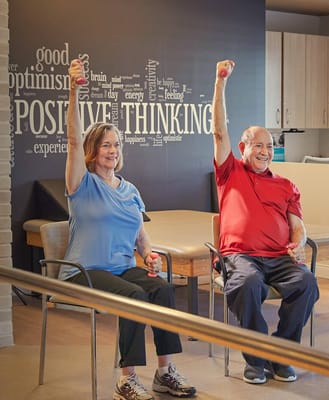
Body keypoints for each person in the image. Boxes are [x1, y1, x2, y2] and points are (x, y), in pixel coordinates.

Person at [63, 60, 196, 400]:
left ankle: (164, 372)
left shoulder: (130, 189)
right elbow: (72, 140)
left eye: (117, 144)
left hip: (122, 268)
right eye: (106, 145)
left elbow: (139, 235)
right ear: (92, 151)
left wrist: (149, 254)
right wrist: (74, 90)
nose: (113, 150)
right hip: (84, 270)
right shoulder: (83, 184)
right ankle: (127, 379)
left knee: (163, 289)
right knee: (134, 296)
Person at [211, 60, 319, 385]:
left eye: (270, 146)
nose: (265, 151)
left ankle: (282, 354)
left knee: (307, 283)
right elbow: (218, 130)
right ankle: (255, 358)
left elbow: (298, 224)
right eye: (258, 145)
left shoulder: (286, 185)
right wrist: (220, 83)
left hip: (278, 258)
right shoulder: (230, 172)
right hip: (240, 256)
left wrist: (298, 243)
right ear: (243, 147)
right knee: (247, 283)